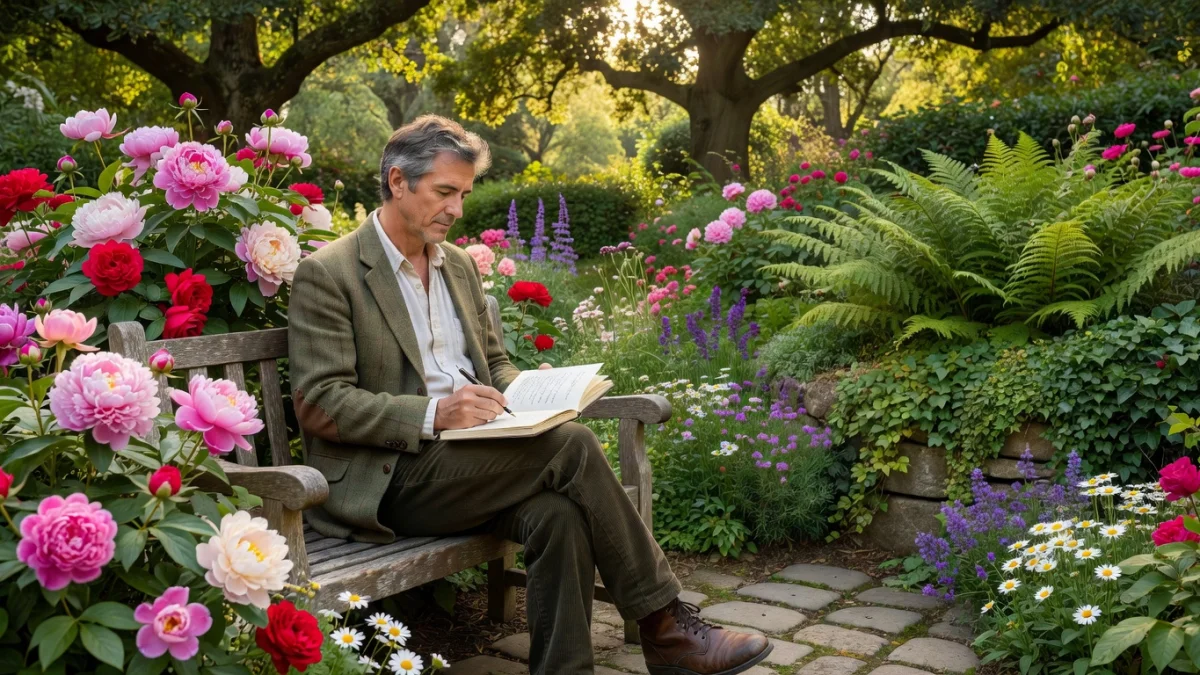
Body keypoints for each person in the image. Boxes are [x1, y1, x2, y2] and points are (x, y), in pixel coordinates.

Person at [288, 115, 771, 675]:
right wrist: (437, 413)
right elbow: (322, 403)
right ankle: (663, 626)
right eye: (445, 192)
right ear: (398, 181)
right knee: (573, 446)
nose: (457, 209)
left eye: (464, 194)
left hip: (471, 463)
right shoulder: (331, 272)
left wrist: (533, 389)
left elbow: (492, 364)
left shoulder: (458, 265)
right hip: (388, 479)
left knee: (558, 513)